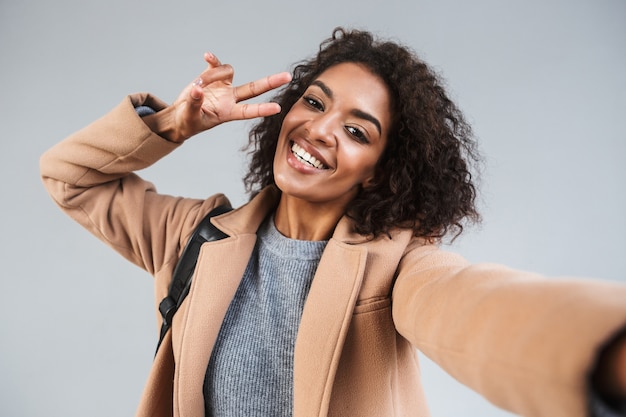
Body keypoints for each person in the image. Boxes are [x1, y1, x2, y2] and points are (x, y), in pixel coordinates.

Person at [40, 28, 626, 417]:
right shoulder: (196, 235)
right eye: (315, 103)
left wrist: (602, 348)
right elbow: (69, 176)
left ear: (379, 170)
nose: (320, 129)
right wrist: (174, 124)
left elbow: (475, 310)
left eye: (357, 130)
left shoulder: (399, 267)